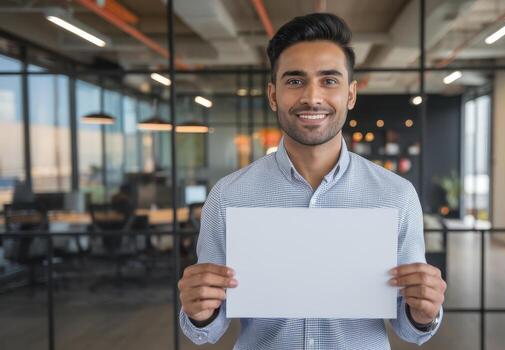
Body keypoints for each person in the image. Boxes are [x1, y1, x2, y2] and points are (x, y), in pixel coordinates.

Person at [178, 13, 446, 349]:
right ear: (273, 95)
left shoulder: (396, 195)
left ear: (350, 95)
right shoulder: (229, 195)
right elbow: (208, 327)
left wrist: (424, 312)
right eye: (295, 81)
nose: (312, 97)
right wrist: (198, 311)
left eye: (329, 81)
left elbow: (409, 327)